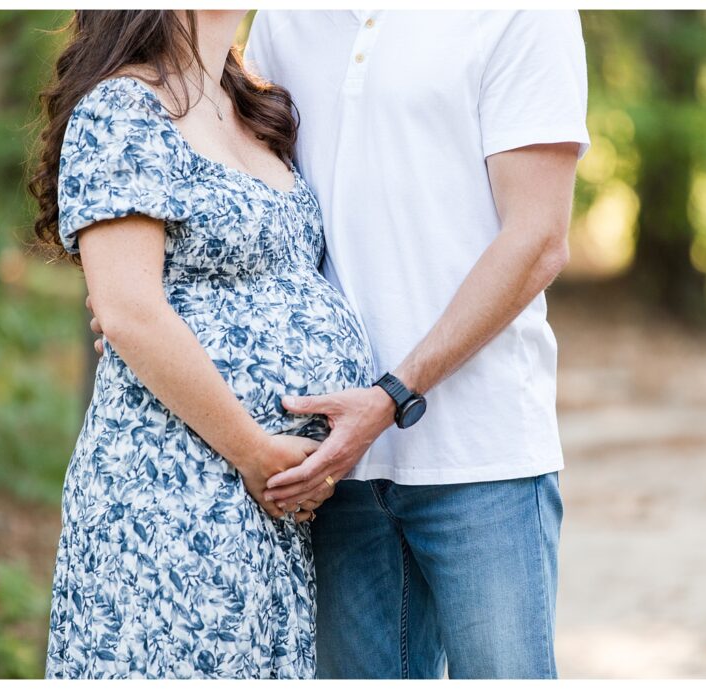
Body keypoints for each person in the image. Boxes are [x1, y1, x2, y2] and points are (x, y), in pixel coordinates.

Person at [244, 10, 590, 679]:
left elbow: (538, 237)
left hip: (484, 459)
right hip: (331, 465)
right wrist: (141, 286)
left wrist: (391, 392)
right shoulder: (284, 20)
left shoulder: (524, 13)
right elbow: (240, 181)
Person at [30, 10, 373, 678]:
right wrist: (254, 449)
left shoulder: (246, 98)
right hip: (172, 493)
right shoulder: (123, 109)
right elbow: (128, 309)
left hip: (273, 511)